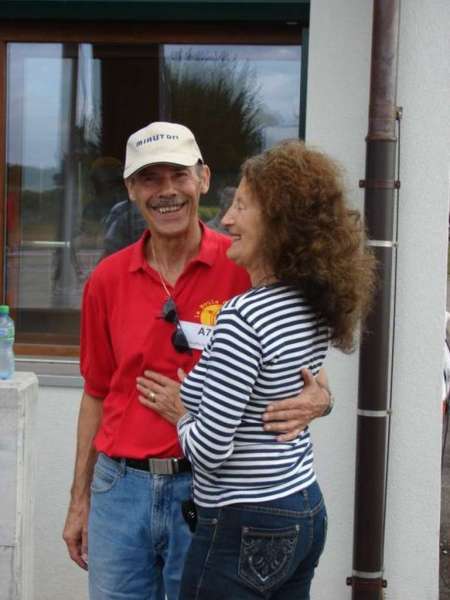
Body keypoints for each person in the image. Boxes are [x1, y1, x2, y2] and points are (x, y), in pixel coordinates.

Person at [62, 122, 332, 600]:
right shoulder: (105, 280)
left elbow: (304, 368)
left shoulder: (245, 264)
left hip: (208, 493)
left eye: (178, 175)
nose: (166, 191)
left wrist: (321, 398)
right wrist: (79, 499)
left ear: (203, 178)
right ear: (130, 189)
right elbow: (96, 393)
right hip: (120, 489)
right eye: (149, 178)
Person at [138, 140, 375, 599]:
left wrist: (179, 415)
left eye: (241, 205)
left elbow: (210, 450)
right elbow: (270, 394)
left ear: (279, 223)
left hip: (245, 518)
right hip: (304, 506)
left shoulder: (244, 315)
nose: (226, 219)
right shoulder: (311, 304)